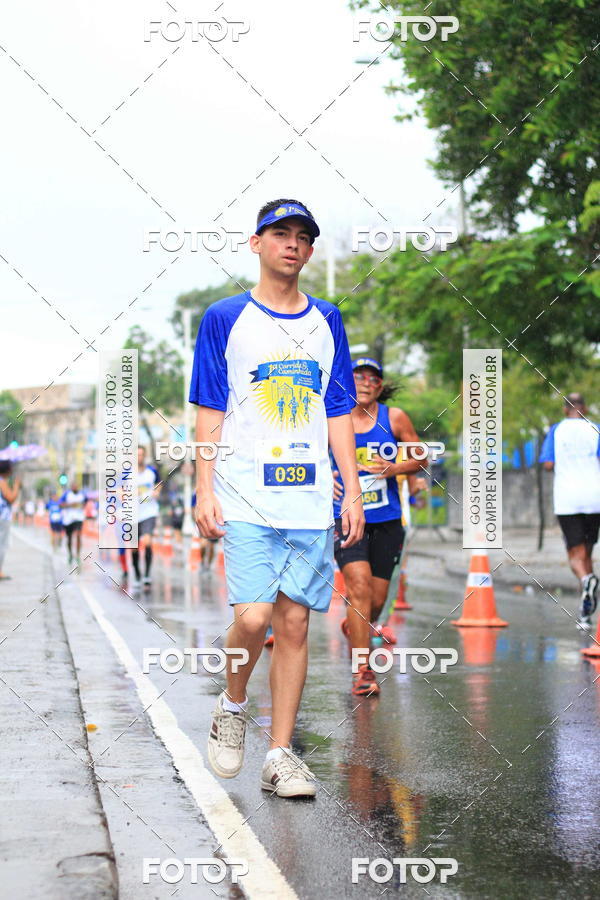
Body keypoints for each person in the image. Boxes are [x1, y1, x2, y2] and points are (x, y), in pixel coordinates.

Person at [190, 198, 363, 798]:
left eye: (302, 237)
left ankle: (281, 755)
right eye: (280, 233)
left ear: (311, 251)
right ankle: (233, 706)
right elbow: (209, 408)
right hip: (243, 493)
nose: (291, 244)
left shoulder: (328, 321)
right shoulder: (224, 317)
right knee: (254, 617)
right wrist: (204, 487)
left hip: (310, 496)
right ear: (256, 243)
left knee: (293, 624)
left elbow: (338, 407)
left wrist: (352, 489)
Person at [332, 358, 423, 696]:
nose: (365, 382)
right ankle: (362, 670)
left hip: (386, 520)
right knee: (357, 586)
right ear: (347, 380)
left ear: (380, 387)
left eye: (373, 378)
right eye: (358, 376)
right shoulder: (333, 415)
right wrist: (325, 479)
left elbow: (421, 457)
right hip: (347, 518)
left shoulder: (394, 418)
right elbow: (308, 454)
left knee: (376, 598)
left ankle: (356, 625)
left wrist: (395, 468)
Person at [539, 392, 600, 628]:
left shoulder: (556, 431)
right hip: (595, 499)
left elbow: (548, 464)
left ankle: (587, 580)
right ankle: (585, 615)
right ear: (584, 408)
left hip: (567, 500)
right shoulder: (595, 429)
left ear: (566, 409)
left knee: (575, 555)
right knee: (586, 551)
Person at [134, 447, 160, 588]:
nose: (139, 457)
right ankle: (137, 574)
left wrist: (154, 492)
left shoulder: (152, 472)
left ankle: (147, 575)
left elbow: (158, 486)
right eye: (137, 455)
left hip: (149, 512)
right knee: (134, 547)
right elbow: (119, 491)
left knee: (148, 541)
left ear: (145, 456)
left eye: (141, 454)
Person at [0, 460, 21, 580]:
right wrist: (16, 486)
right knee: (2, 544)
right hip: (2, 517)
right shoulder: (2, 482)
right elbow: (11, 498)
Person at [59, 480, 86, 566]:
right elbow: (60, 504)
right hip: (68, 519)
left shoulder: (82, 494)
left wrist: (82, 505)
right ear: (71, 487)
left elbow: (86, 502)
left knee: (78, 534)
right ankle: (70, 554)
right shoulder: (67, 494)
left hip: (78, 517)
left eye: (76, 486)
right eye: (73, 486)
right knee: (69, 538)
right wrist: (70, 505)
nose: (74, 488)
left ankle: (77, 555)